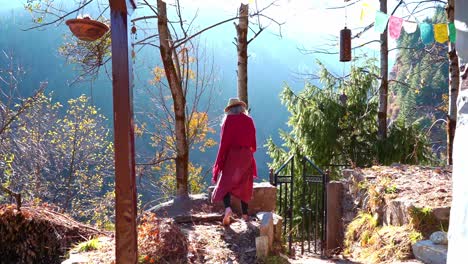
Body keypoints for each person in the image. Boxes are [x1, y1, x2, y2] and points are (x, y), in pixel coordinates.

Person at [211, 98, 257, 225]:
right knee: (245, 183)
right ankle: (245, 215)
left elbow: (224, 143)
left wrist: (220, 161)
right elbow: (253, 143)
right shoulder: (249, 120)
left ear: (230, 110)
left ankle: (227, 209)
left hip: (232, 155)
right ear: (242, 108)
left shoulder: (228, 121)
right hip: (246, 155)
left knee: (225, 182)